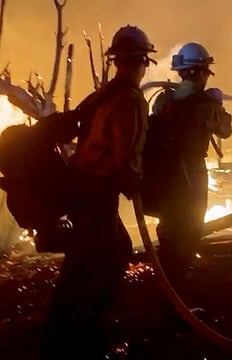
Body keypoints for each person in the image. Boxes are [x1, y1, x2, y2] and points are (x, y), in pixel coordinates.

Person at [40, 25, 155, 360]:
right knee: (111, 255)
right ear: (143, 62)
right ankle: (86, 340)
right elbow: (124, 153)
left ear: (117, 61)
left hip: (79, 189)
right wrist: (133, 184)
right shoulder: (130, 101)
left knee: (82, 260)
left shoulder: (100, 95)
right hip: (96, 193)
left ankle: (57, 336)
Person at [143, 42, 232, 283]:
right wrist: (218, 104)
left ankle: (166, 282)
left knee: (169, 230)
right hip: (190, 175)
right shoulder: (205, 106)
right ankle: (175, 288)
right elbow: (225, 130)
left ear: (181, 71)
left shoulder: (163, 100)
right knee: (189, 231)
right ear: (202, 72)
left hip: (165, 177)